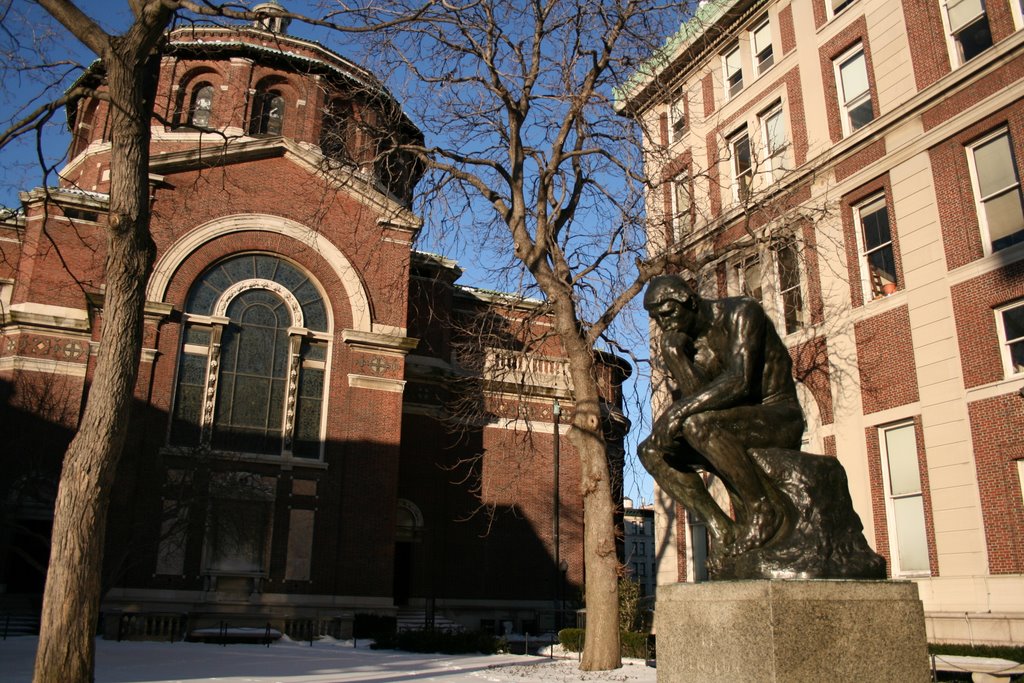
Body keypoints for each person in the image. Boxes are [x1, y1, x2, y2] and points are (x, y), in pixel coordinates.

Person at [638, 274, 804, 555]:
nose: (665, 324)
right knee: (651, 450)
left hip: (777, 414)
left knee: (696, 425)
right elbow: (701, 399)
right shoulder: (687, 345)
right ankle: (723, 529)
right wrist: (677, 359)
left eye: (669, 314)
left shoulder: (741, 313)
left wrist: (678, 411)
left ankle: (763, 511)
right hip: (730, 423)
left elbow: (740, 381)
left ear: (689, 301)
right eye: (658, 319)